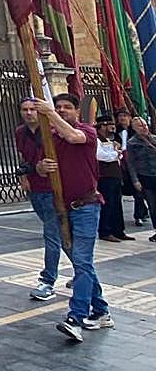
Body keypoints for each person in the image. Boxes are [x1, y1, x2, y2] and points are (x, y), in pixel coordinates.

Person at [35, 94, 113, 342]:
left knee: (81, 261)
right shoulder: (52, 138)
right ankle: (101, 311)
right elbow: (39, 165)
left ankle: (75, 318)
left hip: (87, 206)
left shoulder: (86, 132)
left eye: (67, 108)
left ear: (77, 111)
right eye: (58, 107)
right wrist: (41, 168)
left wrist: (49, 113)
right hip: (64, 206)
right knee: (83, 264)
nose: (62, 111)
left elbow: (73, 137)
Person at [14, 97, 65, 300]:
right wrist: (24, 176)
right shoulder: (20, 133)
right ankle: (83, 272)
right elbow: (23, 157)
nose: (28, 113)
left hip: (53, 190)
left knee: (52, 235)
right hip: (35, 189)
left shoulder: (53, 131)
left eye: (32, 109)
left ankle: (48, 281)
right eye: (24, 109)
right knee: (60, 235)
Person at [95, 112, 132, 242]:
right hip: (105, 177)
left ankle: (118, 230)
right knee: (108, 204)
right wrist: (115, 154)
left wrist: (116, 153)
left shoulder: (111, 140)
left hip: (115, 176)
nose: (113, 128)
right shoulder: (97, 140)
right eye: (109, 125)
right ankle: (106, 231)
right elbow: (100, 155)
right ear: (102, 126)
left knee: (117, 204)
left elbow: (119, 156)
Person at [125, 115, 156, 242]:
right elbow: (131, 163)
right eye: (140, 126)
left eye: (144, 125)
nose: (143, 127)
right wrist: (135, 180)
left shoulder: (154, 139)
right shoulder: (132, 143)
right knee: (153, 206)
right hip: (146, 176)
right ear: (134, 128)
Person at [117, 109, 149, 226]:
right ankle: (143, 211)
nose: (122, 118)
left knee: (138, 192)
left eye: (125, 115)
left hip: (135, 163)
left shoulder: (135, 133)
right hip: (121, 164)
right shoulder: (116, 131)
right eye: (120, 116)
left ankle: (139, 215)